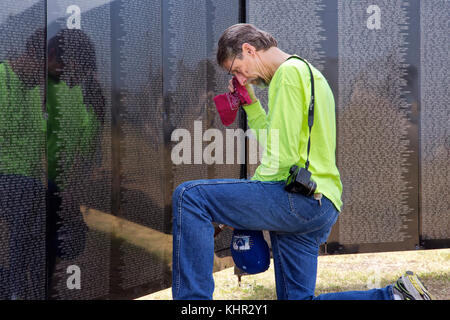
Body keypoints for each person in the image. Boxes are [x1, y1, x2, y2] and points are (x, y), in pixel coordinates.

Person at [171, 23, 433, 300]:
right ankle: (396, 296)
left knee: (190, 196)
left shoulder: (287, 74)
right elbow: (279, 140)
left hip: (298, 199)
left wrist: (244, 203)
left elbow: (281, 155)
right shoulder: (307, 73)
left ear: (248, 49)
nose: (241, 78)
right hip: (320, 202)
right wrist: (251, 105)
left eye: (236, 69)